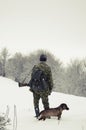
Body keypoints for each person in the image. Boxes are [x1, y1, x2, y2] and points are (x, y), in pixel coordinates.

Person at [18, 54, 53, 118]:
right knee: (45, 102)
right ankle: (47, 115)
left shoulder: (35, 66)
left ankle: (37, 114)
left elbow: (32, 77)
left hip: (35, 88)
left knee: (36, 102)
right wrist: (50, 88)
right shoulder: (47, 68)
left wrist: (32, 86)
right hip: (44, 88)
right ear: (45, 60)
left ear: (40, 59)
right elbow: (50, 79)